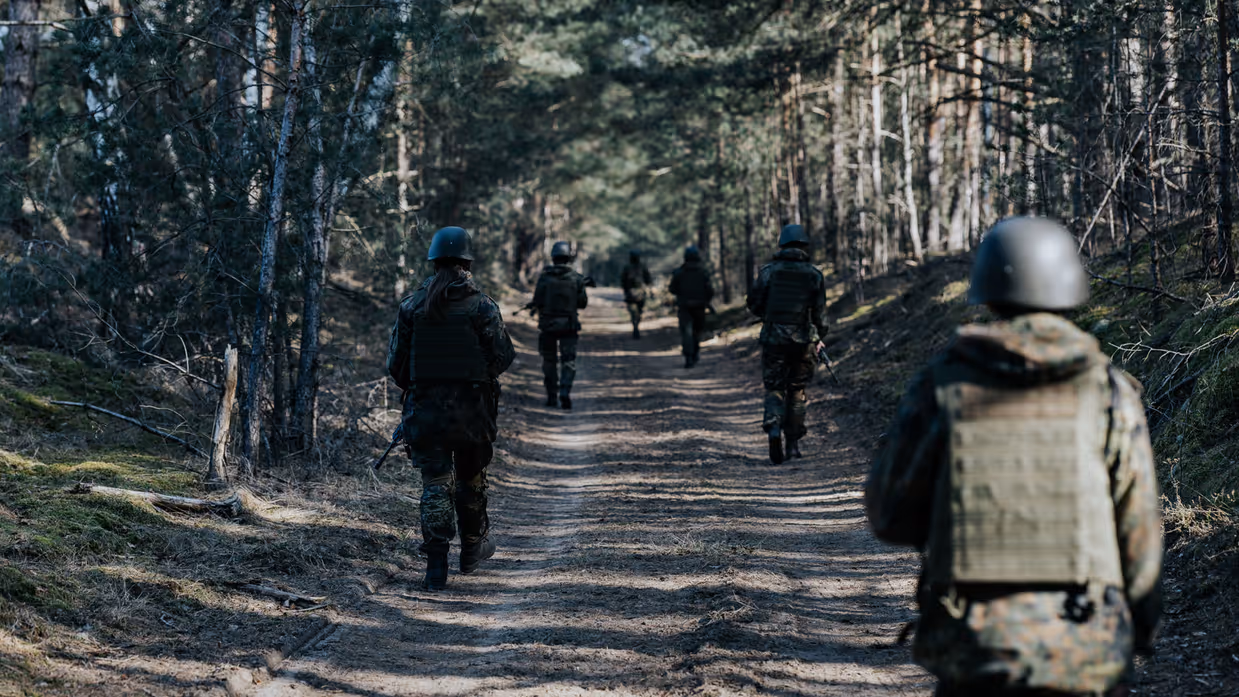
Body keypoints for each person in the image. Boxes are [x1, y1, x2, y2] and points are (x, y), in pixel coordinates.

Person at [865, 217, 1163, 697]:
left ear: (986, 290)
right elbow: (1139, 530)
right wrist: (1137, 632)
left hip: (975, 649)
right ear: (1070, 286)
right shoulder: (1109, 392)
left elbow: (889, 515)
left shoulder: (941, 385)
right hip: (1085, 649)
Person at [386, 226, 516, 591]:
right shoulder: (483, 306)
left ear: (434, 263)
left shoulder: (412, 306)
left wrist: (426, 386)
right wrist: (474, 377)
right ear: (466, 263)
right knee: (471, 478)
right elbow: (503, 356)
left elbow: (396, 365)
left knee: (435, 483)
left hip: (425, 411)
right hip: (473, 411)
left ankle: (436, 564)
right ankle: (472, 549)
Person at [746, 225, 828, 464]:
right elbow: (820, 314)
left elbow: (753, 303)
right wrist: (819, 336)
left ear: (782, 245)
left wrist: (769, 316)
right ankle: (792, 445)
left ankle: (773, 425)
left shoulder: (768, 272)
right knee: (797, 390)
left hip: (774, 338)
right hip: (803, 341)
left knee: (774, 387)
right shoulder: (814, 274)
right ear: (804, 245)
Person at [531, 241, 589, 410]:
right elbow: (582, 303)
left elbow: (537, 301)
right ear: (568, 258)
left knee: (549, 361)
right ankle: (565, 393)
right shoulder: (577, 278)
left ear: (554, 257)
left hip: (548, 326)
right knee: (568, 361)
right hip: (569, 326)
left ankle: (551, 395)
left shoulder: (544, 277)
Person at [668, 245, 714, 368]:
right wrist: (706, 301)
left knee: (687, 332)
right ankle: (695, 352)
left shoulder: (679, 273)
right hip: (699, 307)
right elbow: (710, 290)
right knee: (697, 332)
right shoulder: (703, 272)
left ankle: (689, 356)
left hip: (684, 307)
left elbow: (672, 289)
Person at [620, 249, 653, 339]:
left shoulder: (628, 268)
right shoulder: (641, 267)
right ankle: (636, 326)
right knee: (637, 312)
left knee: (634, 312)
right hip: (638, 293)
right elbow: (648, 280)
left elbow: (623, 281)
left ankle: (635, 325)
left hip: (633, 293)